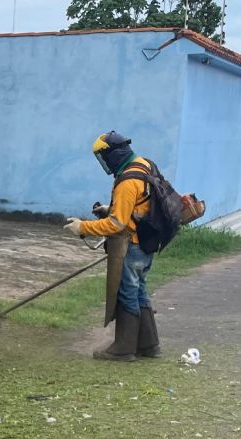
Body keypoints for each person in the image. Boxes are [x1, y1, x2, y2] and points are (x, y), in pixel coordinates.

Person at [61, 131, 162, 362]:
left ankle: (123, 348)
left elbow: (116, 225)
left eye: (103, 158)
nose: (104, 163)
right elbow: (141, 206)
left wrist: (83, 227)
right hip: (147, 243)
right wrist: (112, 208)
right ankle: (149, 344)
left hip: (132, 245)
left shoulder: (127, 181)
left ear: (114, 155)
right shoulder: (144, 164)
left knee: (127, 293)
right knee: (140, 292)